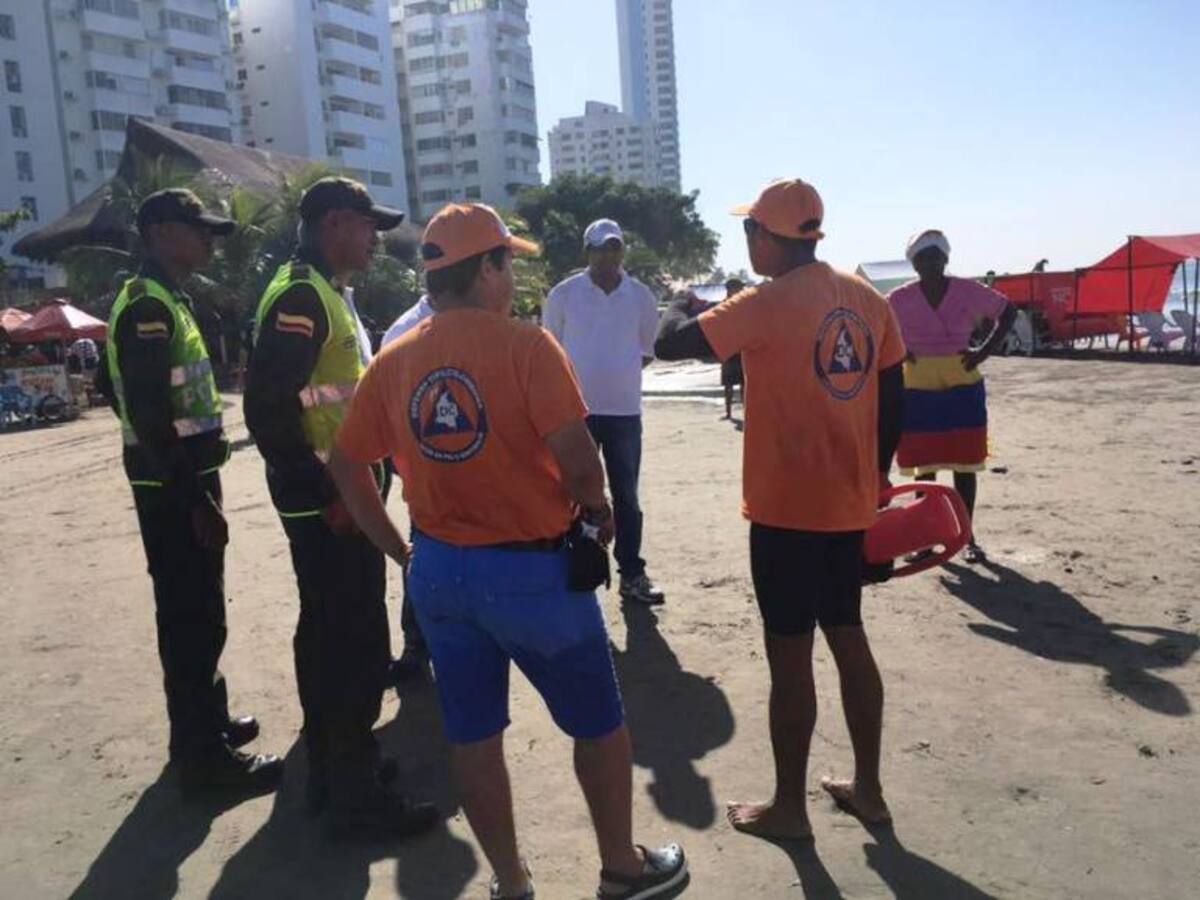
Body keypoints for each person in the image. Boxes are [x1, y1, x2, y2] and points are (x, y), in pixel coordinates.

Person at [328, 203, 687, 900]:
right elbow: (583, 470)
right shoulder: (526, 347)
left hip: (438, 572)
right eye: (508, 262)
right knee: (599, 725)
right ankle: (621, 868)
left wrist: (402, 552)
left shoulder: (396, 358)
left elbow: (346, 468)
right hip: (532, 575)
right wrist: (599, 510)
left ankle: (514, 884)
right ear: (486, 268)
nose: (514, 276)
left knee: (473, 735)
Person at [655, 178, 907, 839]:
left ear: (767, 236)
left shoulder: (761, 304)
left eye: (749, 232)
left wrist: (683, 300)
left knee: (790, 657)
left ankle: (790, 809)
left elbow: (670, 343)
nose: (748, 242)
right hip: (849, 507)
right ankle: (870, 791)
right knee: (848, 637)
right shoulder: (867, 299)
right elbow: (896, 393)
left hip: (787, 511)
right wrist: (874, 478)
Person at [244, 177, 437, 838]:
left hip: (340, 495)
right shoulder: (302, 295)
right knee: (352, 639)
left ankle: (338, 764)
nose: (374, 237)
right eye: (365, 224)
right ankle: (354, 794)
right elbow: (268, 407)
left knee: (329, 630)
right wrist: (324, 490)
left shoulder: (323, 291)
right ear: (332, 224)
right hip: (331, 503)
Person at [103, 189, 283, 796]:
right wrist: (196, 499)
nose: (209, 239)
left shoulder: (166, 299)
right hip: (172, 485)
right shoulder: (147, 307)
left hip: (180, 477)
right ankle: (201, 761)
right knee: (189, 618)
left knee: (203, 611)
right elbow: (150, 414)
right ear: (157, 231)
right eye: (196, 228)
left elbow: (114, 387)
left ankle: (207, 725)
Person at [543, 219, 665, 606]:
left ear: (622, 250)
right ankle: (576, 569)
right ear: (587, 252)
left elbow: (646, 351)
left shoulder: (641, 296)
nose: (608, 255)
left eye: (614, 247)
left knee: (627, 496)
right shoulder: (564, 295)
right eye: (600, 248)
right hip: (574, 413)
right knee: (573, 492)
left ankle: (632, 572)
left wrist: (616, 377)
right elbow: (551, 351)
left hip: (625, 412)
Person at [888, 230, 1017, 564]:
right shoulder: (899, 299)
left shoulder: (966, 290)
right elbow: (879, 326)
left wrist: (984, 350)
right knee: (924, 466)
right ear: (913, 263)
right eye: (922, 258)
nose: (930, 263)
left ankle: (966, 534)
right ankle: (926, 536)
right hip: (917, 383)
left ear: (945, 258)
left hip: (962, 377)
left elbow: (1008, 311)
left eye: (935, 256)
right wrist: (900, 351)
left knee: (965, 464)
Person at [377, 293, 435, 680]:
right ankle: (417, 645)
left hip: (482, 470)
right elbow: (387, 408)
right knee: (425, 553)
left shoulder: (488, 321)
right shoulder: (404, 331)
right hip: (428, 471)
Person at [719, 278, 746, 420]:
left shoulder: (745, 304)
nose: (741, 290)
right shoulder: (723, 306)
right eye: (738, 288)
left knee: (744, 384)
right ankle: (728, 412)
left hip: (743, 349)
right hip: (729, 349)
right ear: (730, 290)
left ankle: (745, 412)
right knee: (728, 384)